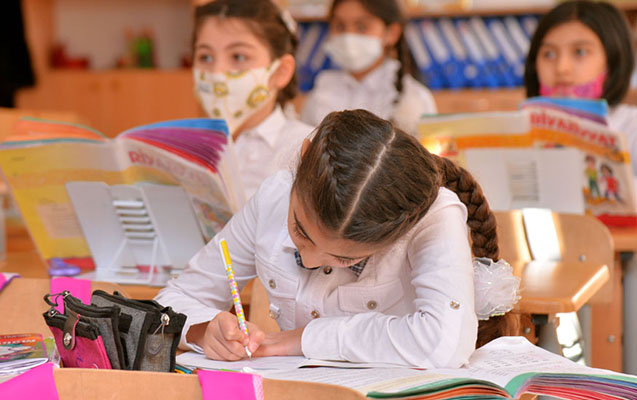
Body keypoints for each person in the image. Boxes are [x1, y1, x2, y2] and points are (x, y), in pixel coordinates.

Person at [155, 109, 519, 368]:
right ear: (303, 157)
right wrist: (203, 332)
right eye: (300, 230)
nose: (309, 260)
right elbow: (175, 298)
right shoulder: (274, 196)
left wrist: (301, 339)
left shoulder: (433, 215)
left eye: (346, 259)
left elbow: (445, 345)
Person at [192, 0, 313, 199]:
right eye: (205, 57)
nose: (217, 72)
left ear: (281, 71)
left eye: (238, 57)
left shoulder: (304, 148)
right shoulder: (188, 146)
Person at [524, 0, 637, 176]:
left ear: (613, 62)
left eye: (580, 52)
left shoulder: (632, 126)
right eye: (549, 54)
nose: (562, 68)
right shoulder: (520, 128)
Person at [299, 0, 437, 136]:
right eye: (339, 26)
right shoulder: (320, 93)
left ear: (392, 33)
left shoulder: (415, 99)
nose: (348, 36)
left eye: (362, 27)